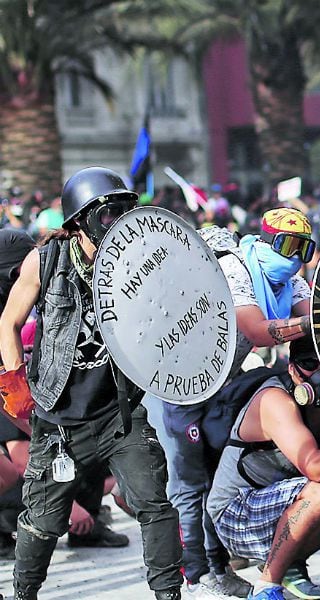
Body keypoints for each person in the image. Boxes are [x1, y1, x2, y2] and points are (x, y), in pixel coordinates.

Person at [0, 167, 183, 600]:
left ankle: (169, 595)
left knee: (154, 505)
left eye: (124, 211)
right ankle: (23, 594)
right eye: (107, 214)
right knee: (42, 521)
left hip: (120, 414)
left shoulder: (141, 261)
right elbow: (8, 322)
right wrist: (15, 385)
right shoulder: (45, 261)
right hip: (59, 418)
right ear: (79, 221)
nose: (118, 223)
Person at [144, 207, 317, 599]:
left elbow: (313, 317)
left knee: (216, 467)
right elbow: (258, 330)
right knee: (190, 482)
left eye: (303, 250)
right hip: (179, 381)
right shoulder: (236, 268)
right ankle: (196, 573)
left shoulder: (293, 282)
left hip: (222, 381)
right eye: (287, 246)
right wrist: (315, 322)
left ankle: (219, 566)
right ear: (266, 240)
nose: (294, 258)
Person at [207, 338, 320, 600]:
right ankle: (267, 585)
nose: (319, 374)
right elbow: (316, 469)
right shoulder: (276, 400)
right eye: (310, 364)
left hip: (278, 505)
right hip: (235, 513)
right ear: (292, 369)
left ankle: (290, 562)